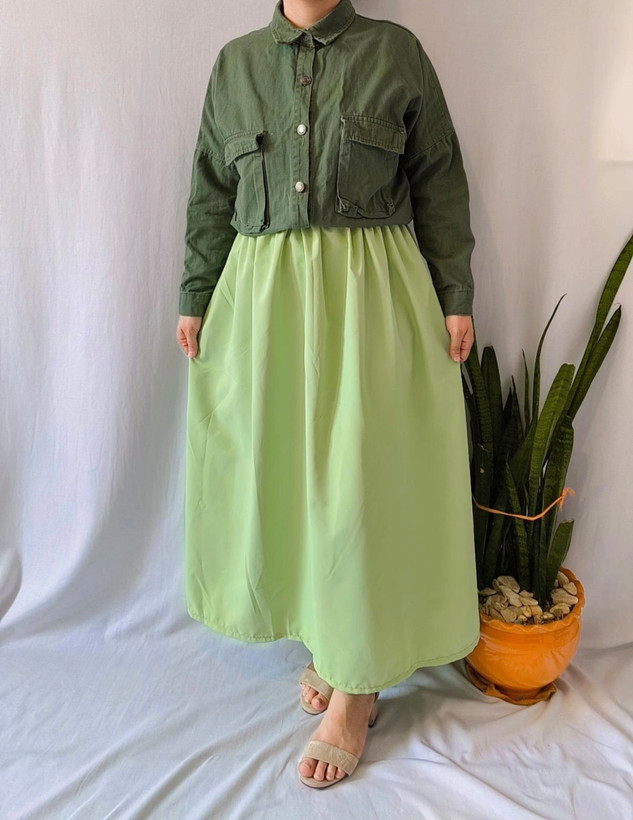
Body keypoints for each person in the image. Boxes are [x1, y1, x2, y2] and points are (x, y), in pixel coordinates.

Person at [175, 0, 480, 789]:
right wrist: (195, 294)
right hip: (263, 303)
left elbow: (438, 177)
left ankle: (355, 689)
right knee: (290, 477)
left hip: (369, 297)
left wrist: (454, 292)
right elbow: (210, 188)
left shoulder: (394, 50)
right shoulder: (236, 62)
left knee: (357, 481)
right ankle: (335, 639)